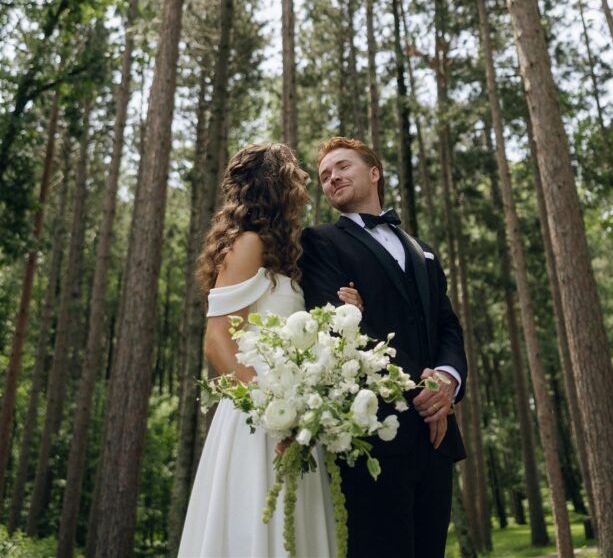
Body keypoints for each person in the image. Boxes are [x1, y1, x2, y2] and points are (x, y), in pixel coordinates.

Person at [178, 142, 362, 558]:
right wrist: (275, 411)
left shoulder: (277, 251)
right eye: (295, 171)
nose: (302, 180)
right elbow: (218, 341)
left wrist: (343, 318)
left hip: (291, 413)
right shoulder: (247, 243)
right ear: (275, 183)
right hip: (258, 420)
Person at [300, 136, 467, 558]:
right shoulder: (320, 243)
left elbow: (447, 326)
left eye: (342, 167)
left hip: (435, 436)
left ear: (374, 173)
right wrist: (419, 390)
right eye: (324, 176)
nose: (331, 177)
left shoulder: (423, 250)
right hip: (372, 436)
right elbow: (340, 330)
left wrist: (446, 381)